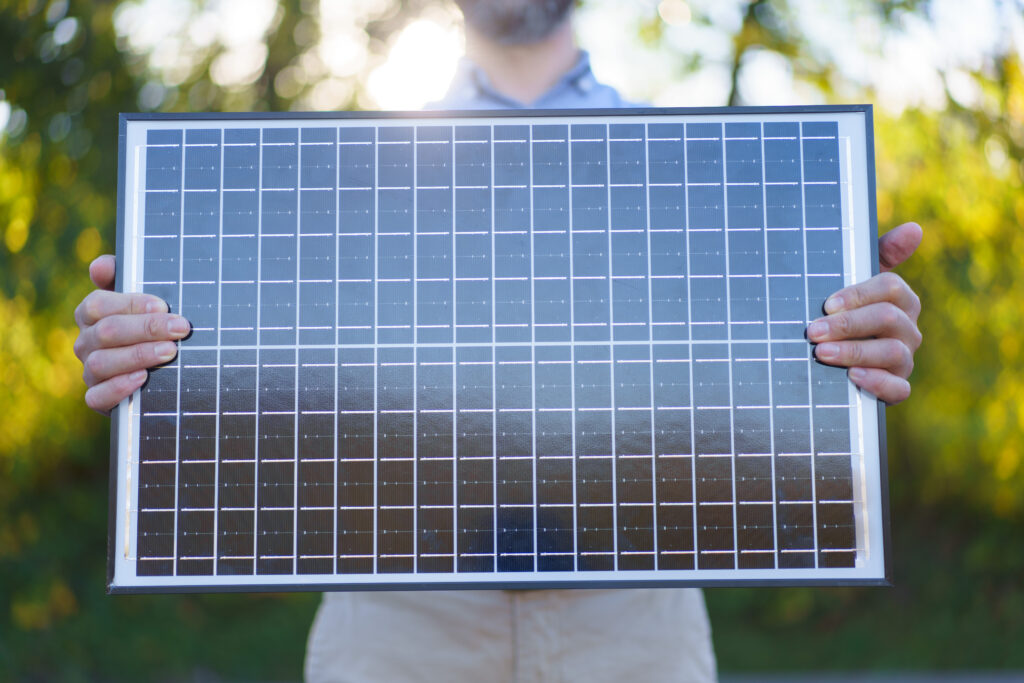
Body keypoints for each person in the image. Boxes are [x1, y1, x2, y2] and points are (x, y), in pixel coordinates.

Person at [73, 1, 924, 680]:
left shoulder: (714, 173)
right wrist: (147, 356)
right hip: (396, 626)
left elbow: (777, 384)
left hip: (639, 627)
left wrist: (856, 346)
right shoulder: (346, 172)